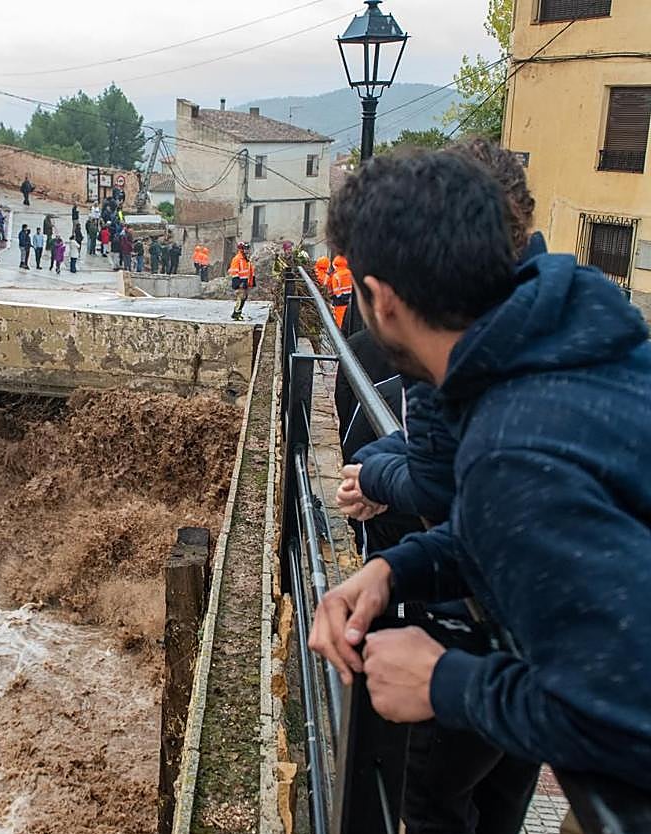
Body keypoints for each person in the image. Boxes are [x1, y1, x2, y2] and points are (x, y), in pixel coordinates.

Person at [310, 150, 651, 793]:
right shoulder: (565, 342)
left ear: (381, 301)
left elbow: (626, 718)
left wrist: (445, 682)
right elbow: (507, 529)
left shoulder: (511, 448)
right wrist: (396, 567)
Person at [228, 241, 253, 321]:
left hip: (245, 281)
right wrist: (238, 283)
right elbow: (234, 272)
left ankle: (238, 312)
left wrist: (250, 282)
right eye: (245, 249)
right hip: (240, 282)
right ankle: (236, 313)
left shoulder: (245, 259)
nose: (247, 250)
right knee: (241, 298)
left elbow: (249, 271)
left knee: (243, 298)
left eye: (248, 249)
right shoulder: (237, 259)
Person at [330, 255, 354, 328]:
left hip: (340, 301)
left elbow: (336, 290)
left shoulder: (336, 275)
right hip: (350, 299)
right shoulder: (350, 273)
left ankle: (340, 334)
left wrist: (340, 297)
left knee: (340, 319)